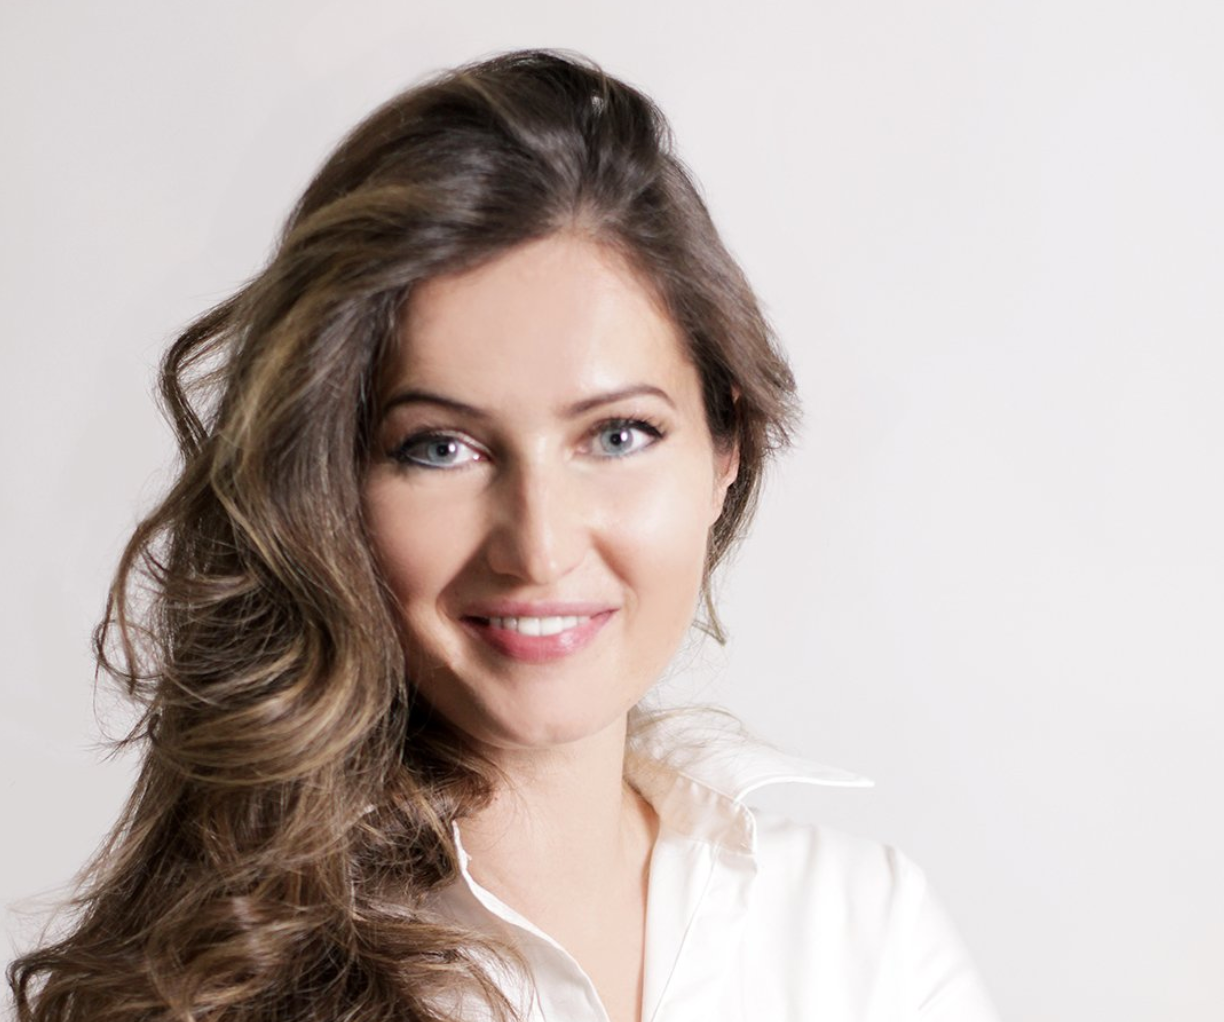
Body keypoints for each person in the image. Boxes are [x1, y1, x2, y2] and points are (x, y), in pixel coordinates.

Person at [8, 49, 1000, 1022]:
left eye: (618, 434)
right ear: (333, 481)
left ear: (725, 443)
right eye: (441, 447)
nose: (537, 544)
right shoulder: (212, 989)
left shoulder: (863, 938)